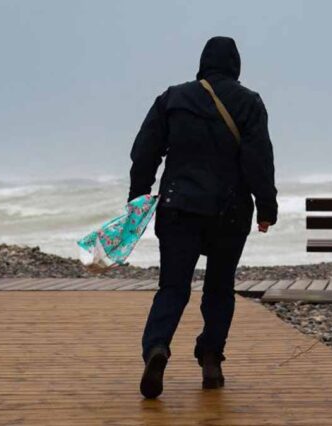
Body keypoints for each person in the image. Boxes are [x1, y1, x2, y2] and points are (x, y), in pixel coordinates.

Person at [128, 36, 277, 399]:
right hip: (230, 211)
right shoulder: (249, 103)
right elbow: (258, 160)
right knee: (219, 288)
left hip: (179, 207)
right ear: (235, 65)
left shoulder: (172, 99)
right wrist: (266, 207)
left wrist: (138, 196)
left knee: (173, 286)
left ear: (203, 63)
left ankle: (157, 348)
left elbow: (144, 151)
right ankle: (211, 358)